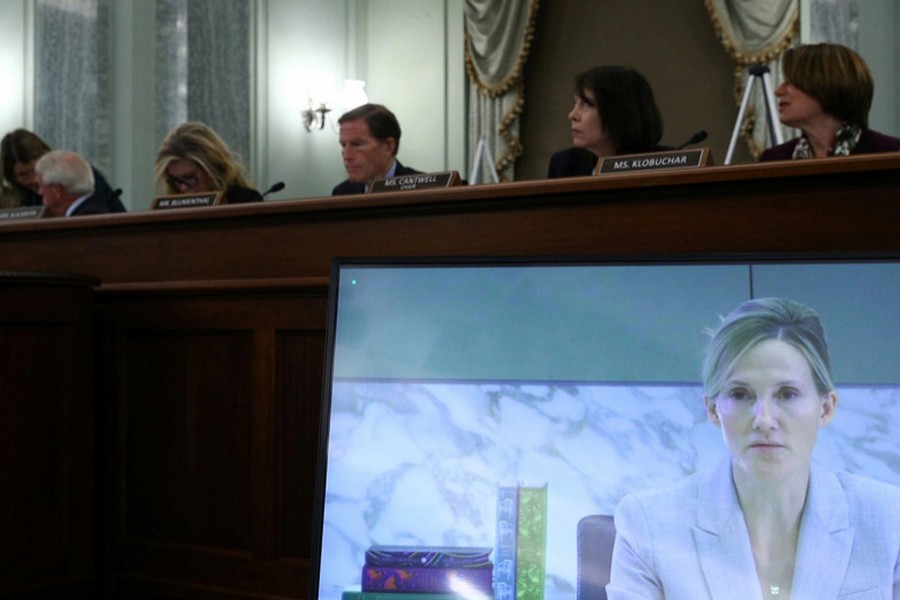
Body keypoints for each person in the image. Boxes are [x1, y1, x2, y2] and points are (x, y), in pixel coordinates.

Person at [607, 297, 900, 599]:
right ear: (712, 409)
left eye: (787, 394)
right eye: (740, 394)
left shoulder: (890, 520)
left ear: (825, 408)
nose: (764, 419)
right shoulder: (648, 525)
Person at [760, 43, 900, 161]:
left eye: (791, 83)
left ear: (827, 85)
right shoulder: (773, 160)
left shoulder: (891, 155)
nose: (778, 91)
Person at [548, 66, 665, 178]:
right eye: (575, 103)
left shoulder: (666, 164)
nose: (572, 115)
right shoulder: (564, 164)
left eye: (587, 105)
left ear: (620, 113)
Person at [1, 128, 125, 211]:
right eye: (23, 175)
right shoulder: (10, 199)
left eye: (36, 169)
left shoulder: (77, 174)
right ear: (12, 178)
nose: (34, 179)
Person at [155, 122, 261, 204]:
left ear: (212, 170)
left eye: (190, 178)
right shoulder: (170, 210)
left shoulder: (246, 202)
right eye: (175, 180)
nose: (183, 188)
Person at [332, 103, 421, 195]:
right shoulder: (342, 192)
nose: (347, 156)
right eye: (343, 145)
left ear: (388, 147)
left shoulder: (423, 188)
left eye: (356, 144)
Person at [34, 150, 110, 217]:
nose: (40, 192)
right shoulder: (96, 211)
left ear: (56, 190)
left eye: (41, 186)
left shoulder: (81, 223)